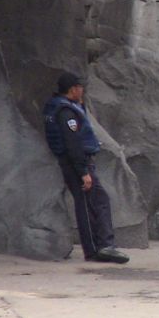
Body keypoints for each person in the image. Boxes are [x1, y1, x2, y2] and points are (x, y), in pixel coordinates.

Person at [42, 72, 129, 264]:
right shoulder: (66, 112)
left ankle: (101, 246)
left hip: (77, 161)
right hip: (77, 163)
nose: (82, 90)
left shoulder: (66, 107)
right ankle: (99, 248)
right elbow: (72, 143)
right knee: (90, 202)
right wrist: (83, 172)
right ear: (73, 89)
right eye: (80, 87)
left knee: (95, 201)